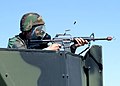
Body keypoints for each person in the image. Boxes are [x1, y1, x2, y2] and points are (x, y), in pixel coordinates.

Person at [7, 12, 88, 53]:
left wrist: (73, 47)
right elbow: (24, 59)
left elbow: (60, 60)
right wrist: (47, 50)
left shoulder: (41, 43)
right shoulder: (15, 42)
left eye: (42, 28)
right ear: (28, 30)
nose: (40, 32)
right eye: (37, 29)